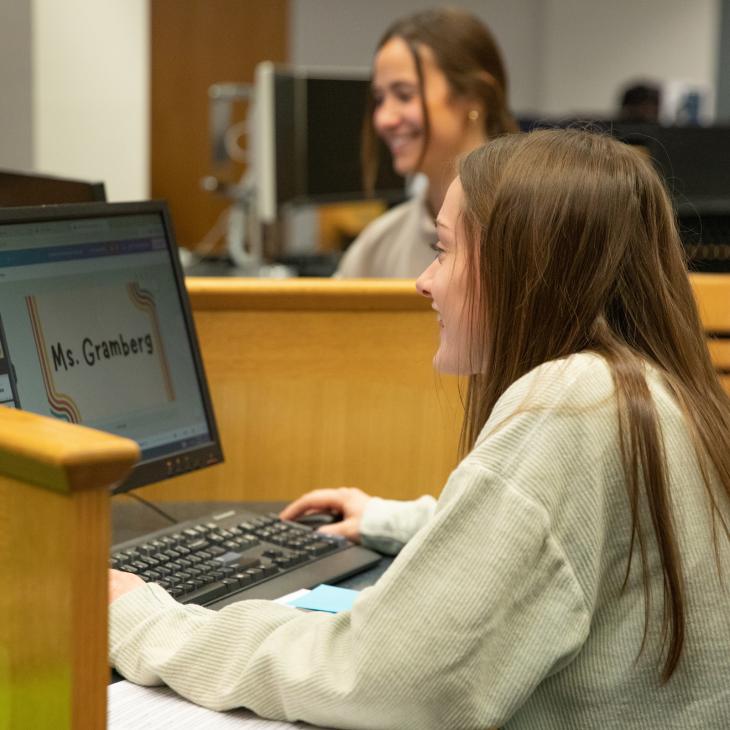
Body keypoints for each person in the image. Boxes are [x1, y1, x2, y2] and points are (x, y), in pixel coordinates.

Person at [110, 129, 730, 728]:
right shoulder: (647, 389)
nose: (424, 281)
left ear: (525, 263)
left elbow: (383, 680)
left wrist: (147, 624)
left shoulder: (572, 404)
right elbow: (552, 539)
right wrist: (399, 522)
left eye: (444, 249)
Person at [335, 7, 518, 278]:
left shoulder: (530, 226)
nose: (384, 119)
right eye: (379, 98)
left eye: (404, 95)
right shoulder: (379, 245)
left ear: (474, 95)